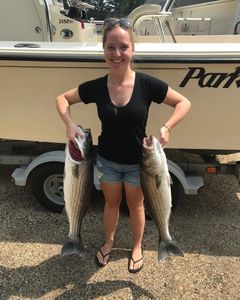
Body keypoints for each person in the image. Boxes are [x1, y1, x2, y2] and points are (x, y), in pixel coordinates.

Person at [56, 18, 191, 273]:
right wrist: (69, 125)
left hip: (140, 164)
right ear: (104, 50)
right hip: (106, 160)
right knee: (111, 204)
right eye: (110, 47)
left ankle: (137, 246)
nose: (117, 53)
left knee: (137, 205)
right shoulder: (96, 87)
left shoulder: (147, 84)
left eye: (123, 47)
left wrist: (167, 127)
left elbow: (183, 103)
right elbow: (62, 99)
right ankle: (109, 242)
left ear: (132, 49)